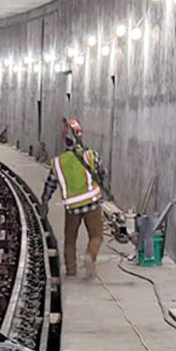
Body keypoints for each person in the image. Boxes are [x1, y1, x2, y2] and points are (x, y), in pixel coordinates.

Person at [39, 118, 106, 279]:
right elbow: (102, 171)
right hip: (92, 203)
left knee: (70, 239)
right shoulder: (90, 155)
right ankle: (90, 256)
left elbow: (50, 184)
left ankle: (70, 269)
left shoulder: (58, 162)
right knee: (96, 235)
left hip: (72, 207)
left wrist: (45, 201)